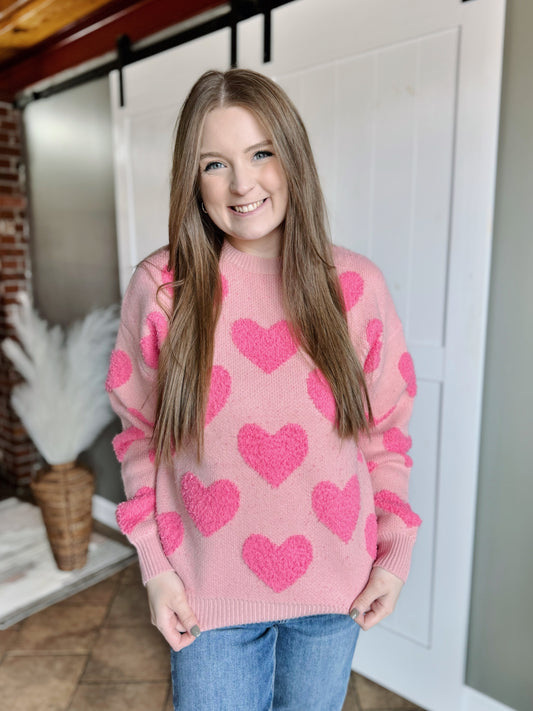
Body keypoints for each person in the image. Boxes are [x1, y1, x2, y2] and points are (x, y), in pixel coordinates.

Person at [106, 68, 421, 711]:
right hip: (205, 598)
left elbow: (383, 435)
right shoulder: (163, 289)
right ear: (192, 180)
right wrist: (155, 568)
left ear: (293, 157)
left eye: (260, 153)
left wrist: (394, 553)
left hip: (333, 595)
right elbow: (140, 437)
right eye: (214, 164)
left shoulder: (355, 287)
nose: (242, 183)